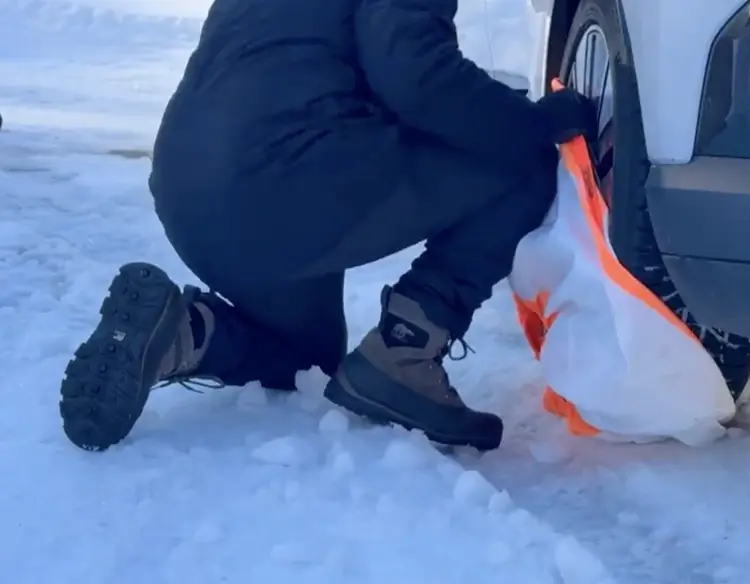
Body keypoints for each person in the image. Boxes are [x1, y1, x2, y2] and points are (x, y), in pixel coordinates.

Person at [57, 0, 596, 453]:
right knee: (520, 159)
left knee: (303, 358)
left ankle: (182, 331)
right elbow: (415, 73)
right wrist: (537, 121)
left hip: (187, 186)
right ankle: (405, 347)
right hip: (283, 176)